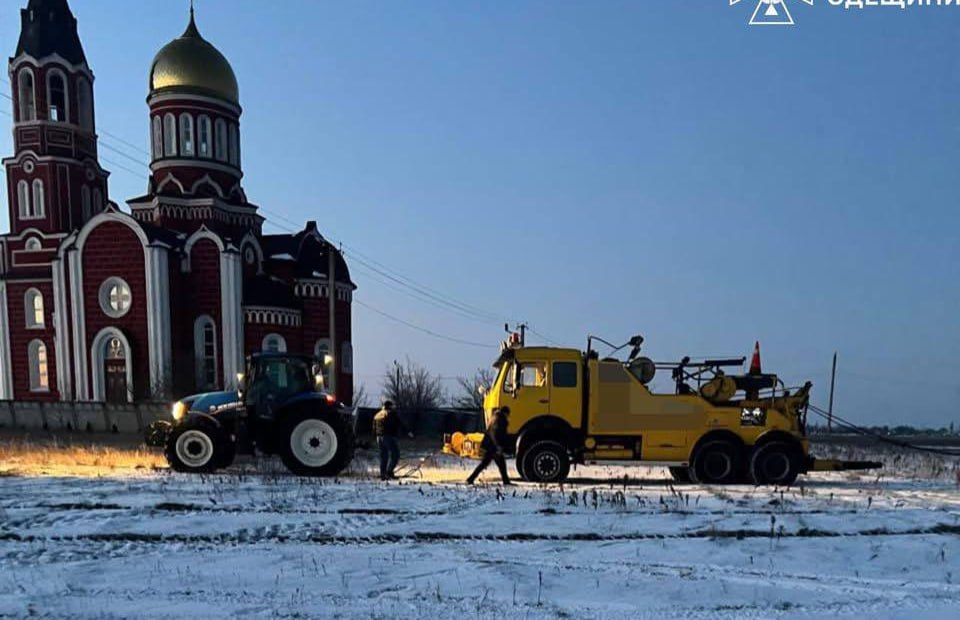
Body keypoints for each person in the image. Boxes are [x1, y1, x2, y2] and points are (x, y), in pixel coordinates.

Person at [466, 406, 513, 485]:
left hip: (490, 445)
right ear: (505, 413)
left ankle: (470, 479)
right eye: (508, 414)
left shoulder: (495, 417)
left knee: (486, 464)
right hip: (493, 446)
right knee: (500, 464)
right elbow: (495, 433)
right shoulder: (500, 420)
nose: (508, 416)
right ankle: (506, 481)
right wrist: (498, 446)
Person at [373, 400, 412, 480]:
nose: (393, 407)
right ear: (390, 406)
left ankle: (383, 474)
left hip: (379, 438)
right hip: (388, 437)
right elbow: (399, 423)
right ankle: (389, 472)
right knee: (395, 454)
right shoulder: (390, 414)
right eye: (392, 406)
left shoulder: (378, 415)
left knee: (384, 456)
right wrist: (408, 432)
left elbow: (374, 427)